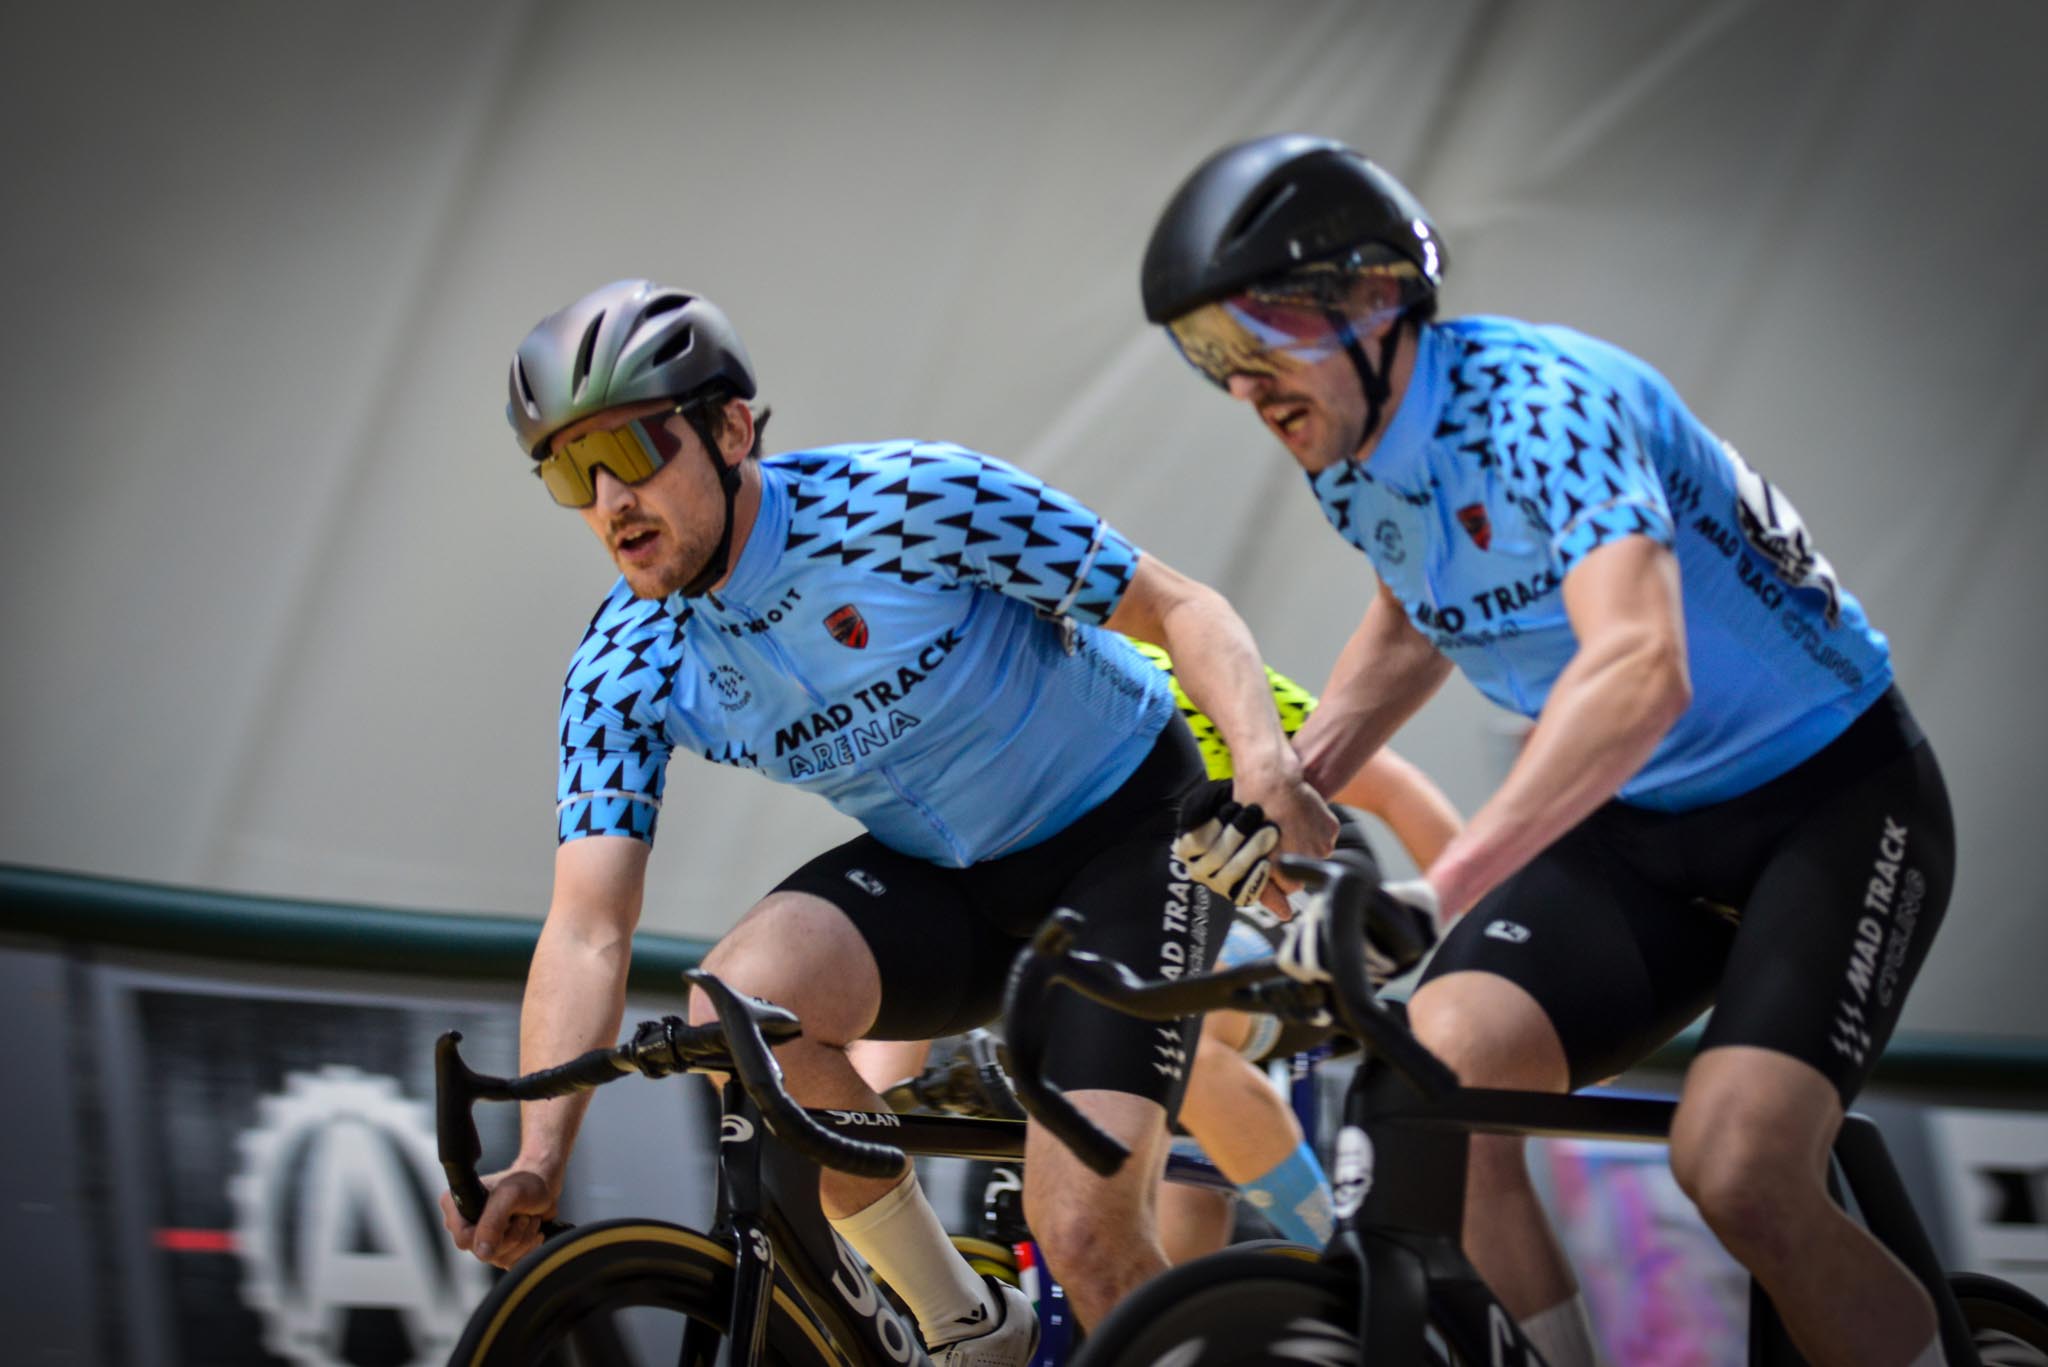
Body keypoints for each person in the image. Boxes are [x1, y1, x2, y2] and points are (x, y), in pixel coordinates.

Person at [1140, 136, 1955, 1367]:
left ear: (1372, 298)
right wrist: (1290, 781)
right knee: (1433, 1092)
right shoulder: (1353, 457)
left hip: (1827, 802)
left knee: (1738, 1167)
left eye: (1259, 334)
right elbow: (1415, 617)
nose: (1241, 382)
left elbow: (1638, 671)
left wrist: (1443, 889)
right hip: (1636, 831)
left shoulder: (1544, 404)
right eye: (1206, 353)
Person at [437, 277, 1336, 1351]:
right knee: (733, 1010)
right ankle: (965, 1322)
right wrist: (541, 1154)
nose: (607, 498)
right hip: (950, 883)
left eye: (629, 449)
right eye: (565, 470)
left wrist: (1262, 766)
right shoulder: (625, 661)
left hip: (1127, 838)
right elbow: (588, 923)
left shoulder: (907, 502)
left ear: (731, 429)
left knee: (1083, 1235)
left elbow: (1181, 605)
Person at [849, 644, 1463, 1263]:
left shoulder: (1178, 665)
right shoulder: (987, 724)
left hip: (1293, 889)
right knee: (1148, 1132)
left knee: (1169, 1013)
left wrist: (1465, 968)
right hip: (1152, 904)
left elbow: (1396, 790)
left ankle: (1351, 1259)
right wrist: (861, 1120)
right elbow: (923, 933)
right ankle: (1169, 1311)